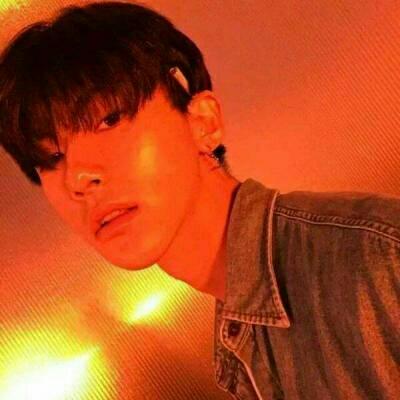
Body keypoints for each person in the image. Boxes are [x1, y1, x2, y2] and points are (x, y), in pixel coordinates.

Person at [0, 2, 398, 399]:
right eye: (51, 158)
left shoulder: (374, 261)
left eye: (109, 120)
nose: (77, 177)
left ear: (203, 122)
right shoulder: (241, 343)